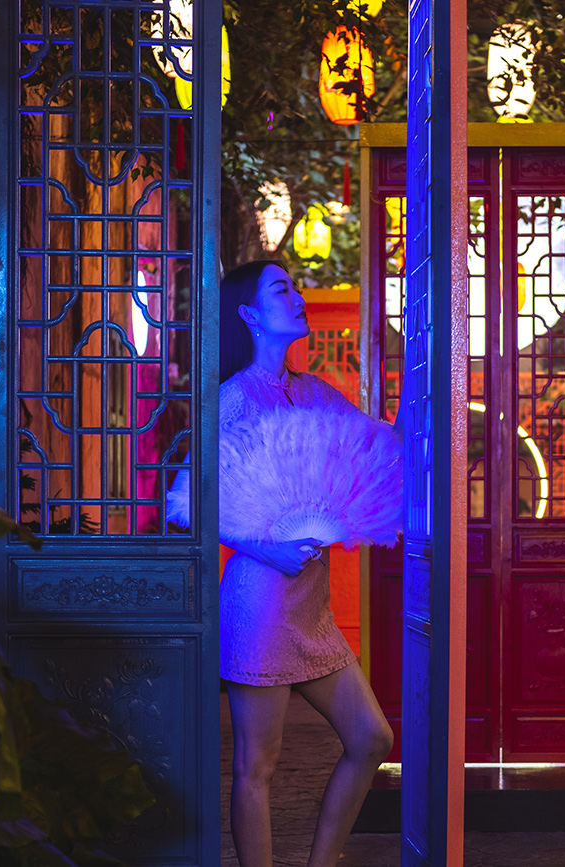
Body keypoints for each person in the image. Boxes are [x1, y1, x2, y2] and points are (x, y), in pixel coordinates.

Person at [215, 260, 395, 866]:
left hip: (310, 608)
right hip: (259, 597)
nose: (297, 297)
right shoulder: (233, 399)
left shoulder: (316, 391)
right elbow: (197, 503)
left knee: (371, 739)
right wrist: (269, 548)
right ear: (248, 314)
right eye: (281, 289)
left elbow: (375, 449)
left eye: (295, 286)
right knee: (257, 765)